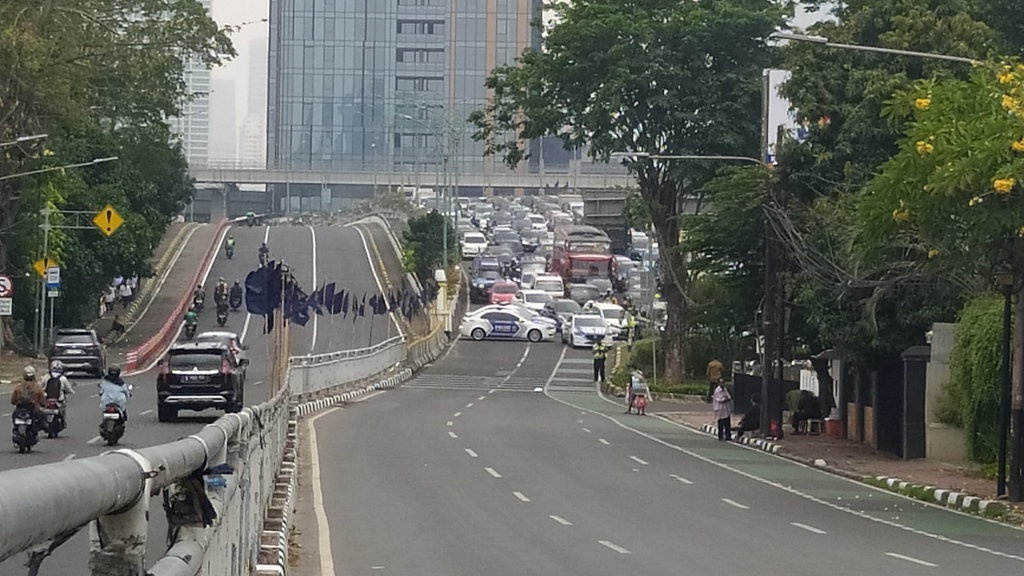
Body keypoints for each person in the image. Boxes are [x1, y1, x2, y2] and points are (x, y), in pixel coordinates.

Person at [44, 360, 75, 425]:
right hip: (59, 400)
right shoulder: (63, 378)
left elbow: (40, 387)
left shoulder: (46, 377)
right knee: (63, 408)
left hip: (47, 399)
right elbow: (69, 389)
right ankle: (63, 421)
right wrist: (72, 391)